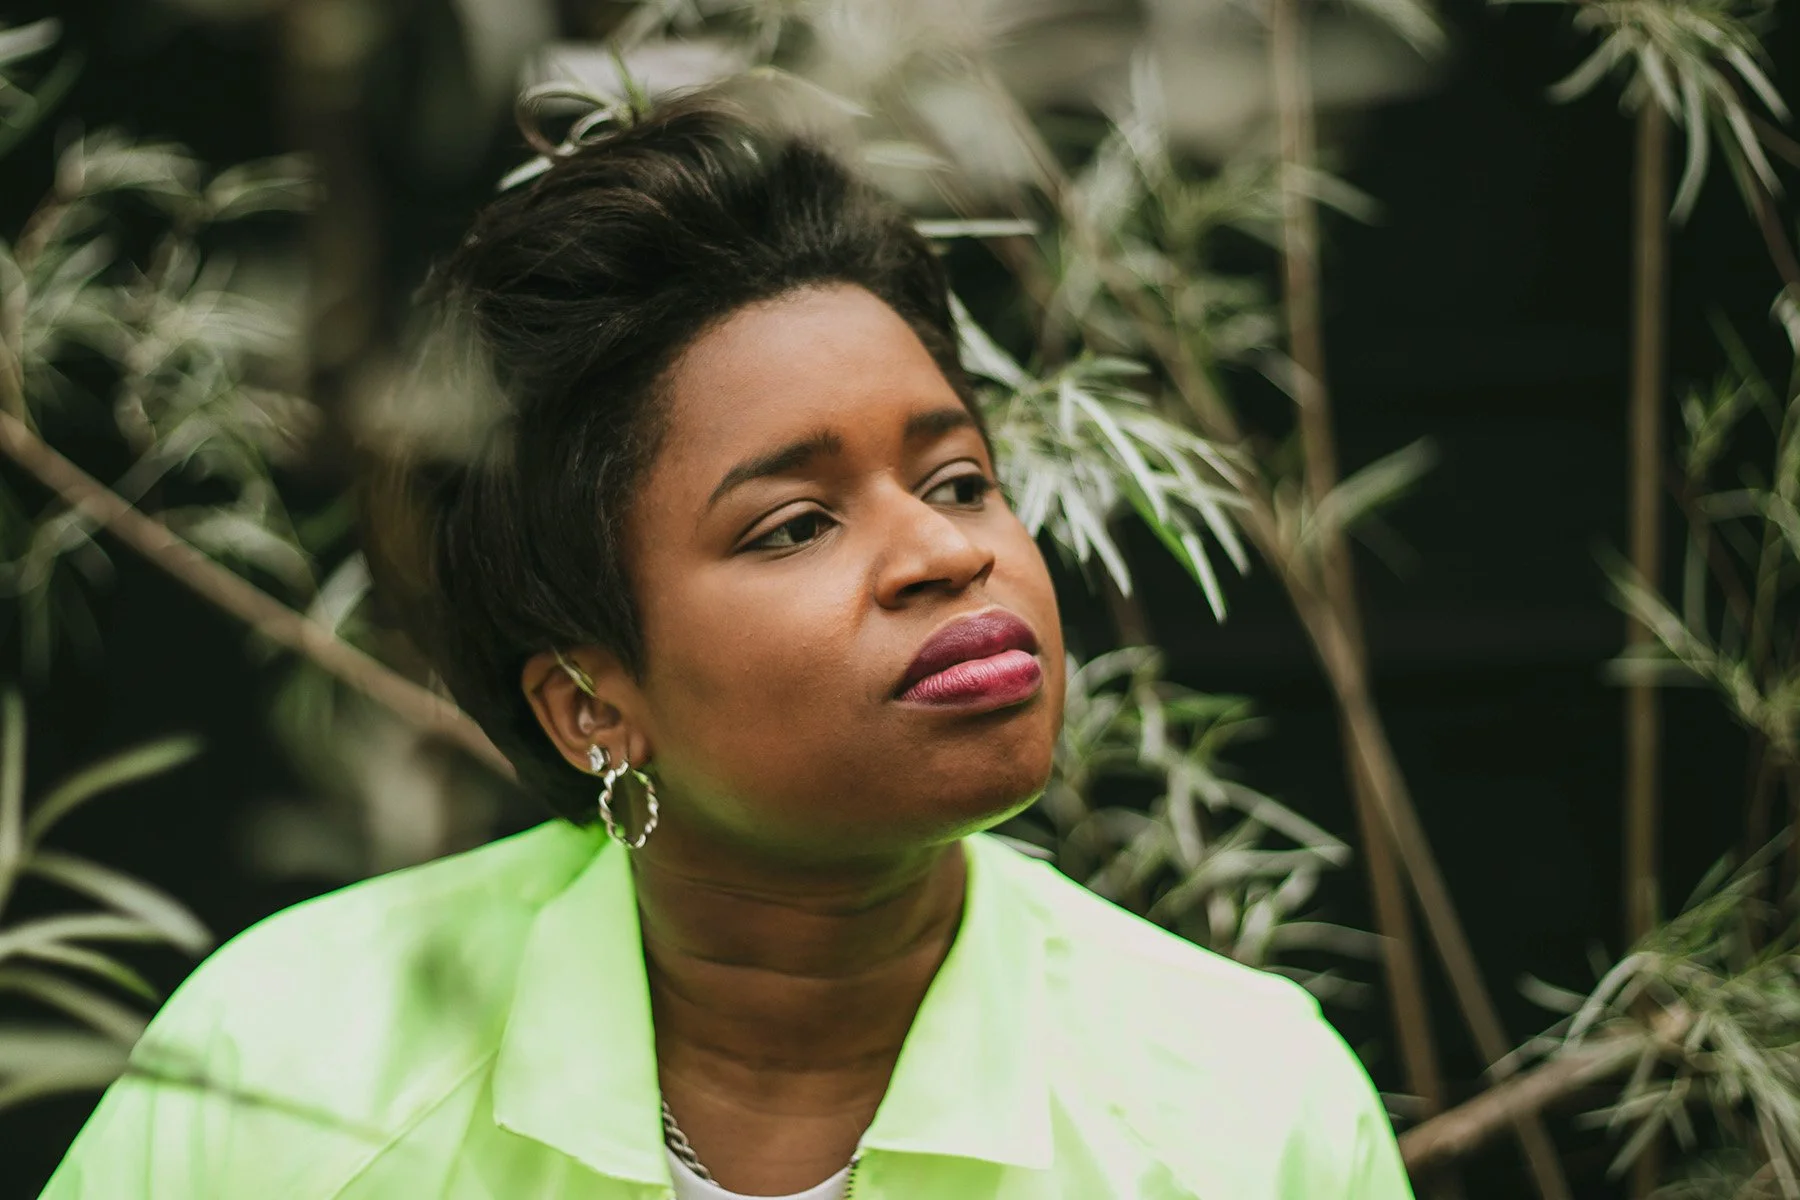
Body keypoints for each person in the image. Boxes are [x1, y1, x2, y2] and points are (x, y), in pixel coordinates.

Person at [41, 92, 1414, 1200]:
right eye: (794, 525)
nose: (949, 554)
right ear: (589, 704)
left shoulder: (1245, 1113)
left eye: (957, 480)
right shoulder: (291, 1069)